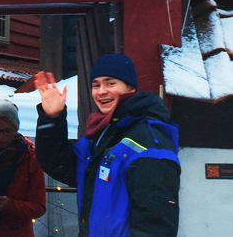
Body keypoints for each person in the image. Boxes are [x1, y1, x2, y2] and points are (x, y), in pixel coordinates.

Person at [34, 53, 180, 237]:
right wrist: (52, 118)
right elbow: (60, 164)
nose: (101, 91)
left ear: (130, 87)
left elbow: (156, 226)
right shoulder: (101, 134)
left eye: (110, 83)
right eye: (96, 85)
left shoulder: (149, 141)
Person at [0, 100, 45, 237]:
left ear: (15, 129)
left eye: (7, 131)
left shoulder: (30, 158)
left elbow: (39, 207)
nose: (0, 137)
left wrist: (9, 205)